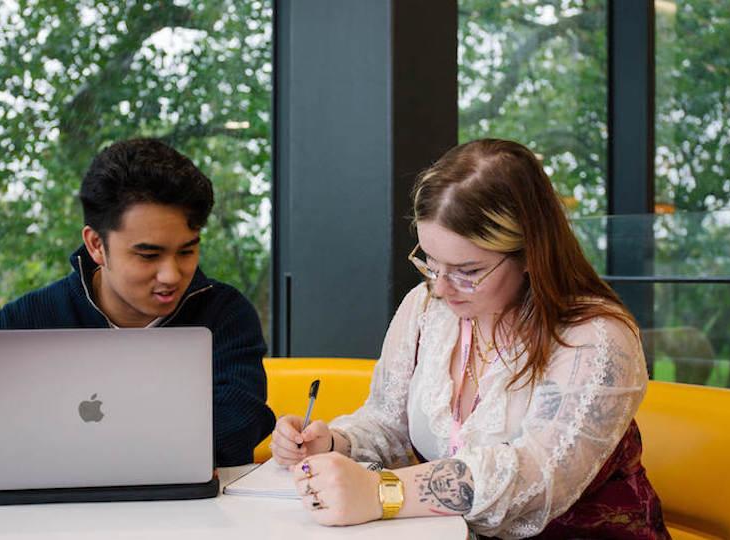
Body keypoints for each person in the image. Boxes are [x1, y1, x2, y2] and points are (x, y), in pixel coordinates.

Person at [270, 139, 669, 539]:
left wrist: (381, 492)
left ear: (531, 253)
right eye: (430, 263)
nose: (442, 288)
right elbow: (388, 424)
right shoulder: (426, 309)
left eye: (468, 271)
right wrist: (334, 443)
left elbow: (535, 478)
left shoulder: (594, 339)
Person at [0, 138, 275, 487]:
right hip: (47, 517)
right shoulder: (16, 328)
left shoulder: (226, 316)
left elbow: (239, 426)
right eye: (148, 255)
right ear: (96, 245)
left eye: (186, 252)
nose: (171, 275)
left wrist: (67, 457)